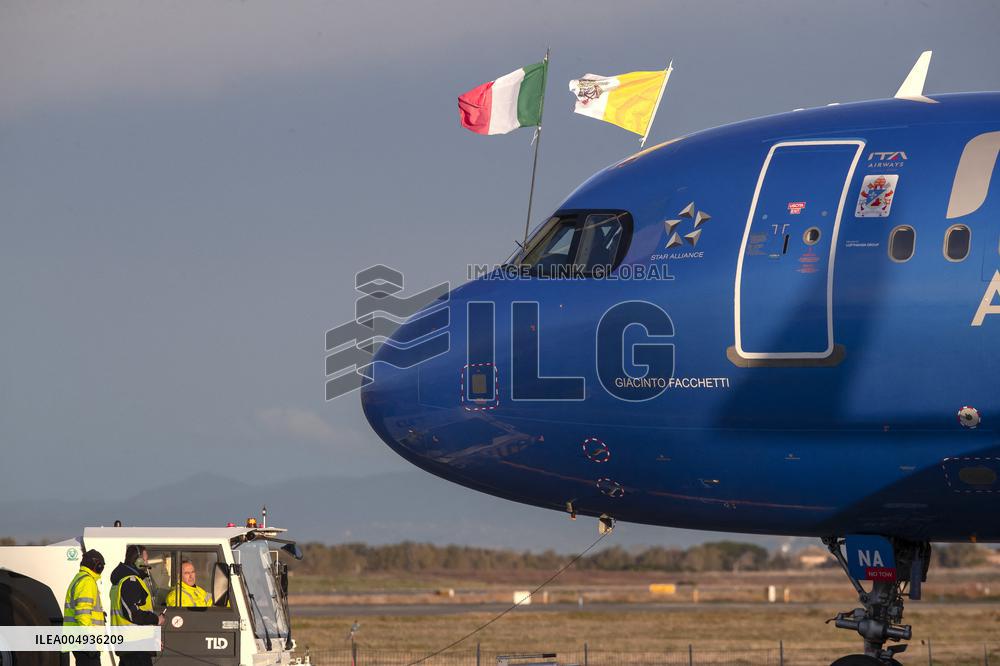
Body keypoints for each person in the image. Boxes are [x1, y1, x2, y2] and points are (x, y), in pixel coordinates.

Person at [110, 545, 164, 666]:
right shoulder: (130, 581)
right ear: (138, 561)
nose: (147, 562)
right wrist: (156, 619)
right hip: (135, 647)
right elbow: (133, 614)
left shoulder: (125, 580)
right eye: (145, 559)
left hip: (133, 645)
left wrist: (152, 638)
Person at [63, 549, 106, 666]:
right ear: (97, 565)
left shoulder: (80, 578)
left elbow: (84, 609)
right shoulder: (87, 581)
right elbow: (82, 613)